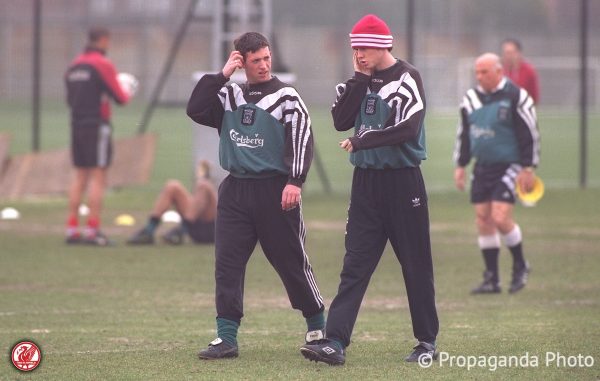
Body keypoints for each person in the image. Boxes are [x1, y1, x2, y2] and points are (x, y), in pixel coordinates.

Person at [300, 14, 439, 366]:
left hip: (403, 182)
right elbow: (340, 120)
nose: (358, 54)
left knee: (415, 264)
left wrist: (365, 140)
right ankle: (335, 342)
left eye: (364, 47)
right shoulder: (357, 80)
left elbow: (408, 129)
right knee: (355, 265)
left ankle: (426, 342)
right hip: (366, 185)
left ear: (382, 45)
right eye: (355, 48)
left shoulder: (408, 78)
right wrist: (360, 79)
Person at [186, 32, 325, 360]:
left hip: (276, 190)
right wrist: (222, 75)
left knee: (291, 262)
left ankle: (317, 327)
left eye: (266, 58)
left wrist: (295, 181)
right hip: (235, 191)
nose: (263, 65)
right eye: (255, 60)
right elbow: (195, 108)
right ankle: (226, 338)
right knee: (227, 264)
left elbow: (302, 138)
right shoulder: (228, 95)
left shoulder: (287, 96)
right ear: (241, 61)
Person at [453, 53, 540, 295]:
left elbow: (529, 134)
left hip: (510, 166)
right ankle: (492, 278)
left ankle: (520, 264)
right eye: (477, 72)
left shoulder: (516, 96)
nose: (479, 77)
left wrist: (528, 167)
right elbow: (464, 134)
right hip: (482, 166)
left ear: (499, 72)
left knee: (500, 217)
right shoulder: (470, 99)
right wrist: (461, 165)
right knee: (483, 219)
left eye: (484, 72)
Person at [64, 27, 131, 246]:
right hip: (97, 126)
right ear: (103, 40)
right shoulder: (102, 64)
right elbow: (120, 97)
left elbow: (69, 99)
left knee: (80, 176)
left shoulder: (73, 66)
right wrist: (128, 90)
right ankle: (93, 231)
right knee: (98, 177)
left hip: (76, 125)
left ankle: (72, 229)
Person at [127, 161, 217, 245]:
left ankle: (182, 230)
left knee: (204, 186)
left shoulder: (207, 186)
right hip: (195, 227)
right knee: (172, 186)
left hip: (211, 230)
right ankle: (149, 230)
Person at [501, 38, 540, 104]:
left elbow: (534, 96)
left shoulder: (528, 71)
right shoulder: (499, 70)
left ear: (518, 53)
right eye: (506, 53)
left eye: (510, 53)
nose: (508, 56)